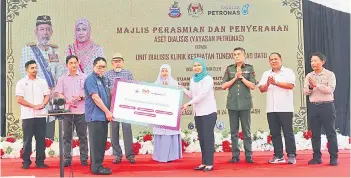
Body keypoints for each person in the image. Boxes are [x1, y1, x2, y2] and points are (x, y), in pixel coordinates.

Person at [20, 15, 64, 139]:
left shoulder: (55, 51)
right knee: (34, 131)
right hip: (35, 97)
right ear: (36, 31)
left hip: (51, 98)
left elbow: (59, 74)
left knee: (49, 131)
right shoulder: (28, 50)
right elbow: (25, 76)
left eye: (48, 29)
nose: (45, 33)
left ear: (52, 32)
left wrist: (56, 90)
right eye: (42, 29)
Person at [258, 52, 297, 164]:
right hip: (271, 109)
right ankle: (279, 155)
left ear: (281, 59)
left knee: (288, 132)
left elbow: (290, 85)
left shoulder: (288, 72)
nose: (274, 61)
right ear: (269, 62)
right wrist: (268, 84)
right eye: (271, 60)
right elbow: (261, 89)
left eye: (276, 59)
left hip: (285, 108)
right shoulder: (266, 74)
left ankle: (291, 155)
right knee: (275, 133)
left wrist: (276, 83)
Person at [303, 52, 339, 166]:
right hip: (314, 107)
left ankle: (334, 157)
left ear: (322, 61)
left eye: (315, 60)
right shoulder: (309, 76)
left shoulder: (329, 74)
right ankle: (317, 157)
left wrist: (317, 85)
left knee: (330, 133)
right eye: (311, 61)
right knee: (315, 134)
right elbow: (305, 92)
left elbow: (330, 90)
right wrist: (310, 87)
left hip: (327, 106)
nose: (313, 63)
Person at [221, 47, 256, 163]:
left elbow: (252, 85)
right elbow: (224, 85)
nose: (236, 56)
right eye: (234, 54)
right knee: (234, 131)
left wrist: (241, 78)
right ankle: (235, 156)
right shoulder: (229, 69)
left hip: (245, 104)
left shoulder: (249, 68)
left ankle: (248, 155)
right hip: (232, 104)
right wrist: (235, 78)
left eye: (239, 54)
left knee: (246, 131)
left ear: (244, 56)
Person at [182, 57, 217, 172]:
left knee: (208, 137)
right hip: (198, 113)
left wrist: (188, 104)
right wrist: (181, 89)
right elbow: (192, 94)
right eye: (195, 65)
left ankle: (210, 163)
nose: (196, 67)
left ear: (203, 66)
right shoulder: (193, 80)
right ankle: (204, 162)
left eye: (199, 65)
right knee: (202, 138)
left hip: (208, 112)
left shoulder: (208, 79)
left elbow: (202, 95)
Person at [16, 60, 50, 169]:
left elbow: (47, 96)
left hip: (40, 115)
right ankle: (26, 161)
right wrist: (33, 106)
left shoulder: (42, 82)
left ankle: (40, 161)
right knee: (27, 139)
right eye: (32, 68)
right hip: (28, 116)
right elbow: (19, 99)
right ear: (26, 70)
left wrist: (43, 104)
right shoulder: (21, 82)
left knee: (41, 139)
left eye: (36, 68)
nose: (35, 70)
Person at [55, 55, 88, 167]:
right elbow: (59, 93)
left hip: (81, 111)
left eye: (75, 62)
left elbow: (89, 92)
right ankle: (67, 158)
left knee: (82, 136)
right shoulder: (62, 79)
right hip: (67, 112)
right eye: (71, 63)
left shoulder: (85, 77)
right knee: (67, 136)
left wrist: (81, 97)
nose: (74, 65)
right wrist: (66, 100)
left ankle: (84, 158)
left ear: (78, 63)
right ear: (67, 65)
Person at [104, 53, 135, 164]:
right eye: (115, 61)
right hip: (113, 107)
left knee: (127, 130)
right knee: (114, 131)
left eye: (119, 61)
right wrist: (113, 91)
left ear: (122, 62)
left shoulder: (128, 73)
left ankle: (130, 155)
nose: (117, 63)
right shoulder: (107, 74)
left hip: (126, 107)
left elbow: (133, 87)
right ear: (112, 63)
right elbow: (106, 89)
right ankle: (117, 155)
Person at [84, 57, 112, 174]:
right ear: (93, 66)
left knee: (101, 142)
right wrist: (107, 112)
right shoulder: (91, 79)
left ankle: (99, 165)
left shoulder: (104, 80)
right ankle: (96, 168)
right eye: (99, 67)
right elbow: (95, 97)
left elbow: (109, 95)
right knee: (96, 143)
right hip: (95, 116)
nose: (101, 69)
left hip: (103, 117)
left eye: (103, 67)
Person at [152, 64, 182, 163]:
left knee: (170, 134)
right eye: (162, 71)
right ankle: (160, 156)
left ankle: (170, 156)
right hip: (160, 113)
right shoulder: (155, 84)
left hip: (170, 113)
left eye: (166, 71)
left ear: (169, 72)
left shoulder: (174, 83)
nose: (164, 73)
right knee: (161, 133)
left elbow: (176, 97)